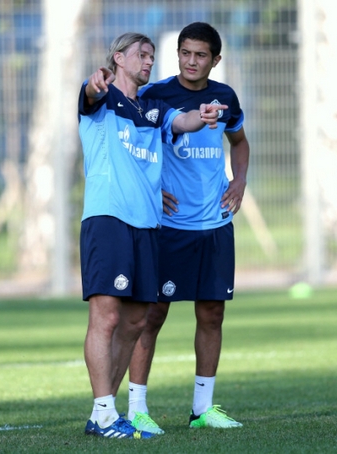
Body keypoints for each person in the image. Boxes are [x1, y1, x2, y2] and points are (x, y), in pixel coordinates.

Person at [78, 31, 226, 439]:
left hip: (147, 226)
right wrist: (94, 84)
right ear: (118, 58)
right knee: (106, 316)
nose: (148, 61)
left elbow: (183, 121)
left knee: (135, 320)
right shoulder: (104, 98)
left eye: (151, 56)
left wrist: (204, 115)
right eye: (141, 54)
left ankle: (106, 412)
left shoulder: (153, 108)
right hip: (108, 219)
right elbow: (90, 92)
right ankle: (104, 413)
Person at [126, 22, 250, 434]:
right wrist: (150, 187)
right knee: (151, 315)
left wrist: (239, 180)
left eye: (200, 55)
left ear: (216, 60)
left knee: (212, 313)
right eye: (185, 53)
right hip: (169, 225)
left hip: (215, 223)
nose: (191, 61)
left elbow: (240, 142)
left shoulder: (226, 97)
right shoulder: (154, 95)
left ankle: (202, 410)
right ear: (177, 54)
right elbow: (129, 145)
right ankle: (137, 409)